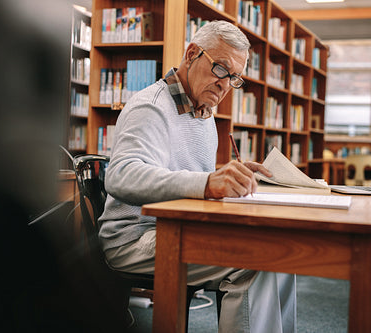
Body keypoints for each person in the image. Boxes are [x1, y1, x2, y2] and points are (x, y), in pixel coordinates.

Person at [98, 20, 296, 332]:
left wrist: (225, 177)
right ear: (192, 54)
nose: (225, 85)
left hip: (176, 229)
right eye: (221, 69)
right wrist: (207, 183)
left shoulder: (202, 113)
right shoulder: (151, 108)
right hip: (135, 240)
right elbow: (121, 176)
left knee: (280, 253)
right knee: (255, 260)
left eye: (234, 78)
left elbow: (181, 176)